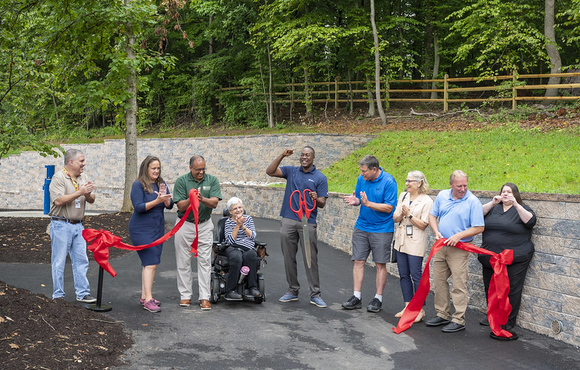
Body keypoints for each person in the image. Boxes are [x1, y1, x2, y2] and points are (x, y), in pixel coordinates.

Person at [266, 146, 329, 308]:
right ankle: (293, 290)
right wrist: (282, 155)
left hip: (308, 222)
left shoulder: (320, 178)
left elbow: (322, 203)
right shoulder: (291, 171)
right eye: (302, 155)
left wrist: (316, 198)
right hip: (288, 219)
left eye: (307, 155)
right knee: (288, 257)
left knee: (310, 258)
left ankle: (315, 294)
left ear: (313, 158)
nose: (304, 157)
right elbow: (270, 171)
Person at [426, 170, 485, 333]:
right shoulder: (442, 196)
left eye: (465, 185)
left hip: (460, 249)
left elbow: (479, 227)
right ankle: (442, 314)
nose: (463, 189)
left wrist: (459, 235)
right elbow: (432, 215)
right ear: (451, 184)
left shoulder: (473, 202)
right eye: (459, 186)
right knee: (438, 281)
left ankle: (459, 320)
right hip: (441, 245)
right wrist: (436, 231)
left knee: (459, 284)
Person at [478, 183, 536, 340]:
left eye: (509, 192)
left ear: (515, 194)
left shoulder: (522, 208)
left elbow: (530, 221)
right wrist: (492, 202)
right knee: (490, 288)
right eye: (503, 192)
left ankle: (507, 322)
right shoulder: (494, 208)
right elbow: (477, 214)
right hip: (490, 257)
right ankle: (491, 316)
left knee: (511, 289)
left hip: (514, 258)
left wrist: (516, 204)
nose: (506, 194)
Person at [342, 155, 398, 313]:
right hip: (362, 226)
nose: (362, 173)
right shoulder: (362, 179)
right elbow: (360, 198)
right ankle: (356, 296)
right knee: (358, 261)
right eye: (361, 170)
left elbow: (389, 208)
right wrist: (357, 202)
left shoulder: (389, 182)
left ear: (375, 169)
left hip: (382, 229)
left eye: (364, 171)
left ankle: (377, 298)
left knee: (380, 264)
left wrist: (368, 204)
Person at [173, 155, 222, 310]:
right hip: (185, 224)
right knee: (183, 260)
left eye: (203, 169)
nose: (201, 172)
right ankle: (185, 295)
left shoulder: (212, 180)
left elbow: (214, 202)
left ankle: (204, 297)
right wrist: (191, 198)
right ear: (190, 168)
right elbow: (180, 206)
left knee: (205, 261)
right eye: (197, 169)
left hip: (204, 224)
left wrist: (201, 199)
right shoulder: (182, 181)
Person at [48, 149, 97, 303]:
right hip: (61, 224)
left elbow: (92, 199)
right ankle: (58, 295)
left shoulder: (83, 177)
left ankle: (82, 293)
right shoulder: (59, 177)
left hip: (78, 225)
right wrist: (80, 192)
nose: (84, 164)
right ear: (71, 162)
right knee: (59, 261)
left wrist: (87, 193)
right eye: (81, 161)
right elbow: (58, 201)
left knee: (81, 260)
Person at [128, 156, 174, 313]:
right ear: (146, 168)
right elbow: (138, 207)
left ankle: (144, 296)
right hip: (141, 229)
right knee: (151, 263)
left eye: (158, 168)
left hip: (157, 227)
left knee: (150, 262)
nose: (156, 171)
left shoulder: (161, 183)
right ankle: (148, 300)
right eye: (153, 168)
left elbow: (169, 205)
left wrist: (166, 200)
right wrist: (157, 200)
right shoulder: (138, 185)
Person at [392, 170, 433, 322]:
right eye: (406, 181)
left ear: (419, 183)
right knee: (403, 274)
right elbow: (395, 218)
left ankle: (419, 309)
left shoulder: (427, 201)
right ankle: (408, 306)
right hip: (401, 240)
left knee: (416, 275)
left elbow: (423, 225)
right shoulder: (403, 196)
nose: (407, 184)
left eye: (410, 181)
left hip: (415, 241)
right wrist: (402, 215)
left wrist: (409, 215)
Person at [222, 197, 262, 301]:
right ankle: (230, 290)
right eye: (235, 208)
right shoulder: (228, 222)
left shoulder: (248, 219)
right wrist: (237, 225)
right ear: (230, 211)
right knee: (236, 258)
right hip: (233, 247)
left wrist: (242, 225)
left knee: (251, 256)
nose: (238, 210)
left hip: (247, 247)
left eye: (240, 207)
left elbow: (252, 236)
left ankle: (252, 287)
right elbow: (230, 241)